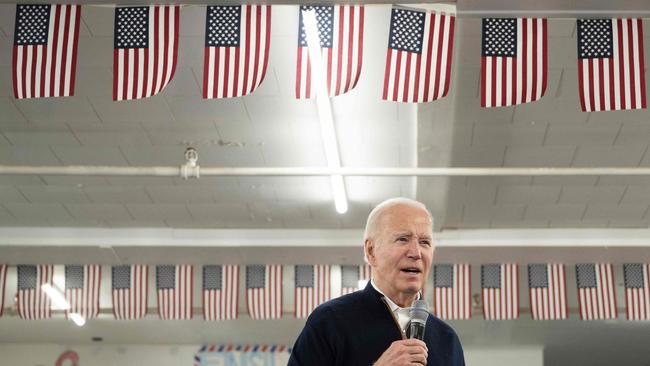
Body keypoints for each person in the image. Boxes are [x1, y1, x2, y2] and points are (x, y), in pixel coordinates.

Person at [288, 198, 465, 366]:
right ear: (371, 251)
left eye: (425, 242)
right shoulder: (330, 322)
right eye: (402, 239)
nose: (416, 252)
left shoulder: (447, 338)